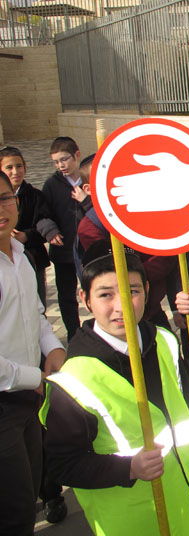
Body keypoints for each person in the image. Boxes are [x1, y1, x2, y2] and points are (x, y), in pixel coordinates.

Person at [41, 241, 189, 535]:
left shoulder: (164, 341)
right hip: (135, 520)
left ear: (146, 290)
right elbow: (61, 465)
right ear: (85, 298)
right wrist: (129, 468)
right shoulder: (74, 380)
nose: (121, 306)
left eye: (132, 291)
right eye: (105, 294)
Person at [0, 170, 66, 535]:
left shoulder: (20, 255)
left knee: (26, 495)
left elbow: (35, 314)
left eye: (4, 198)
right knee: (14, 510)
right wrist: (34, 376)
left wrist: (52, 346)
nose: (1, 209)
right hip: (7, 398)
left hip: (28, 397)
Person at [75, 154, 177, 329]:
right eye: (103, 179)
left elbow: (167, 254)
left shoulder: (140, 211)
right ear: (88, 189)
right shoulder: (90, 226)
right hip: (118, 316)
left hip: (151, 307)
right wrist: (138, 274)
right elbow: (113, 274)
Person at [37, 136, 88, 341]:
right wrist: (50, 231)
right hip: (63, 251)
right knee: (66, 296)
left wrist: (86, 201)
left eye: (64, 159)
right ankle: (73, 335)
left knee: (94, 292)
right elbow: (42, 215)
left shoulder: (89, 179)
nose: (61, 165)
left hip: (89, 250)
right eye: (56, 162)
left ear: (77, 155)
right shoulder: (51, 184)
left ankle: (98, 333)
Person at [0, 146, 50, 305]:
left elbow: (46, 225)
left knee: (36, 302)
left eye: (19, 166)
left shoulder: (36, 196)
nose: (15, 171)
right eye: (9, 167)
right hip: (4, 258)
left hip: (33, 257)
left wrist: (26, 235)